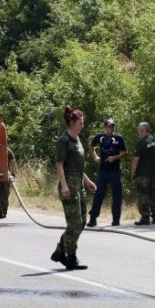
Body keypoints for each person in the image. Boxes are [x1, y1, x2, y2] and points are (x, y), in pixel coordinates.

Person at [51, 106, 97, 270]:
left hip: (79, 185)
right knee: (75, 223)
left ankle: (59, 251)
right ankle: (70, 257)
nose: (82, 126)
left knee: (82, 221)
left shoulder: (77, 139)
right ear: (72, 123)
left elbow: (78, 166)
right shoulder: (64, 140)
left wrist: (87, 181)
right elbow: (59, 163)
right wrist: (63, 184)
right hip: (69, 186)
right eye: (80, 123)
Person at [88, 118, 127, 227]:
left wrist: (114, 157)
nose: (111, 128)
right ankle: (93, 218)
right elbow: (91, 146)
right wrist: (95, 157)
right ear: (105, 127)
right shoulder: (100, 137)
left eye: (113, 126)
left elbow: (124, 152)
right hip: (103, 170)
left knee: (117, 195)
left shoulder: (119, 138)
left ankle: (116, 219)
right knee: (98, 193)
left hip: (115, 171)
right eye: (109, 126)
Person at [131, 121, 155, 225]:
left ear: (143, 130)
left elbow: (136, 160)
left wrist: (132, 173)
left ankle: (145, 217)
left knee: (143, 196)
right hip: (153, 173)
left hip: (142, 174)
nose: (138, 132)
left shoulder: (141, 143)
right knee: (153, 195)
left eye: (139, 130)